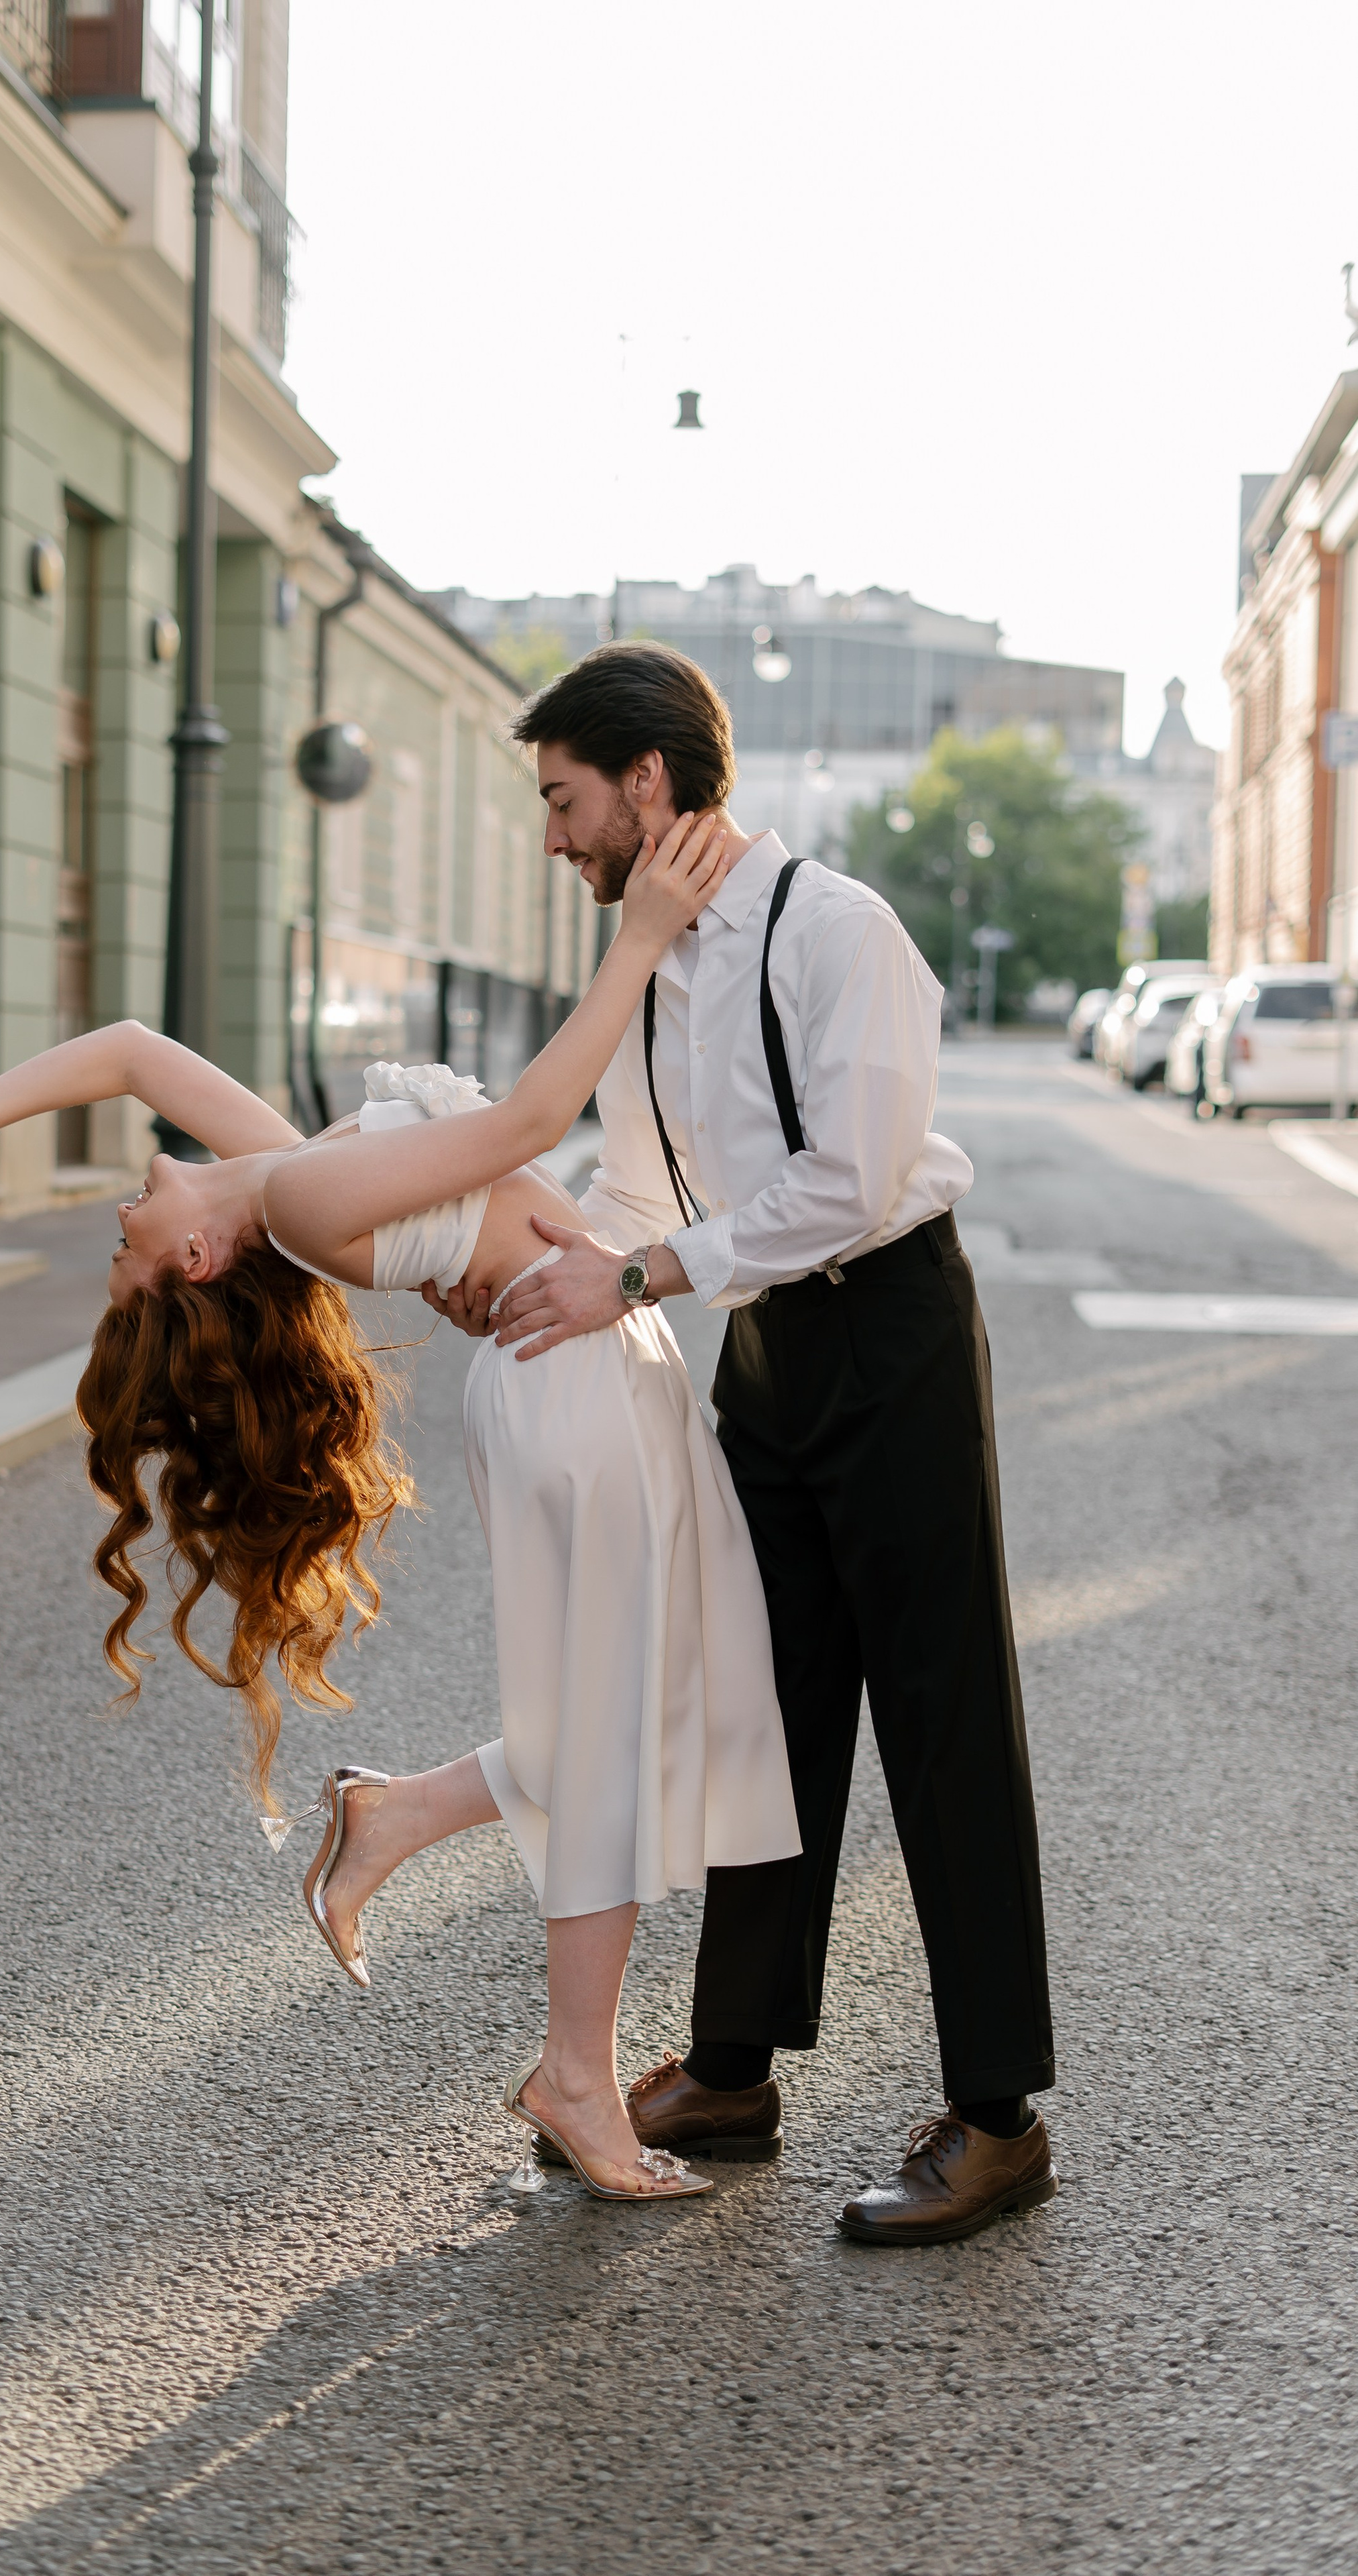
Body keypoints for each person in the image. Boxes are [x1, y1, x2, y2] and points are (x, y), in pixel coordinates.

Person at [0, 810, 799, 2205]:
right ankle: (574, 2079)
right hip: (567, 1390)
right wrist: (641, 938)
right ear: (191, 1260)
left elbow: (127, 1049)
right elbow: (530, 1121)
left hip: (595, 1357)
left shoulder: (266, 1169)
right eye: (126, 1257)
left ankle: (397, 1819)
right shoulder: (300, 1194)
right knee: (612, 1742)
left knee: (669, 1713)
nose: (116, 1224)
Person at [426, 641, 1058, 2247]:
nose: (556, 838)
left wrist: (631, 1275)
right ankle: (730, 2071)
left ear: (649, 783)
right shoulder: (651, 967)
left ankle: (995, 2120)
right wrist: (522, 1264)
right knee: (752, 1719)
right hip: (764, 1350)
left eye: (566, 803)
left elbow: (849, 1180)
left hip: (893, 1330)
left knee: (939, 1713)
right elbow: (645, 1196)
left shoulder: (838, 932)